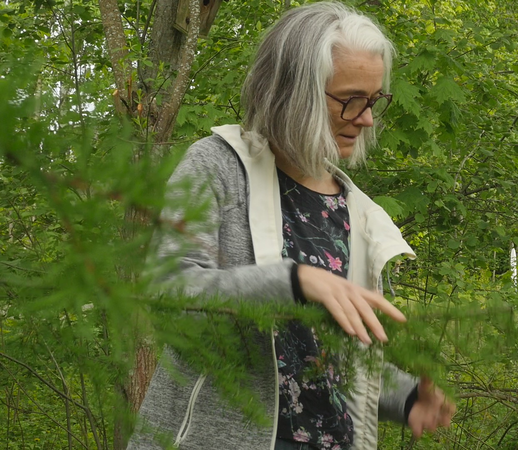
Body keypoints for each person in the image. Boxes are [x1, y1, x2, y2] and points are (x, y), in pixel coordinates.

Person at [127, 2, 455, 449]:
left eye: (374, 100)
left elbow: (329, 357)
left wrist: (407, 396)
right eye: (351, 100)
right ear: (294, 91)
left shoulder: (358, 213)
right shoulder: (217, 166)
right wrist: (291, 281)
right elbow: (169, 292)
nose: (366, 118)